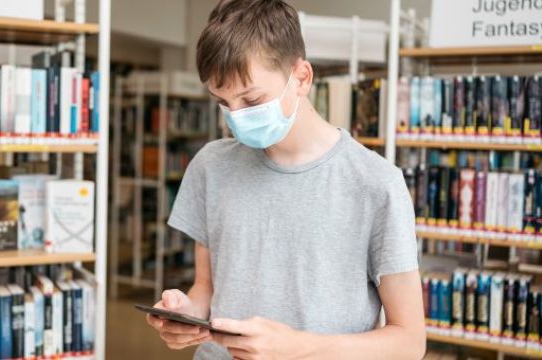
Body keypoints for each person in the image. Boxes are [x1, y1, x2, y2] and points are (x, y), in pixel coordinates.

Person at [144, 1, 426, 359]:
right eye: (223, 102)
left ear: (302, 77)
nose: (237, 116)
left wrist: (298, 348)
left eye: (251, 99)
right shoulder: (211, 166)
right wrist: (187, 314)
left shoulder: (376, 183)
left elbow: (410, 342)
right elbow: (207, 289)